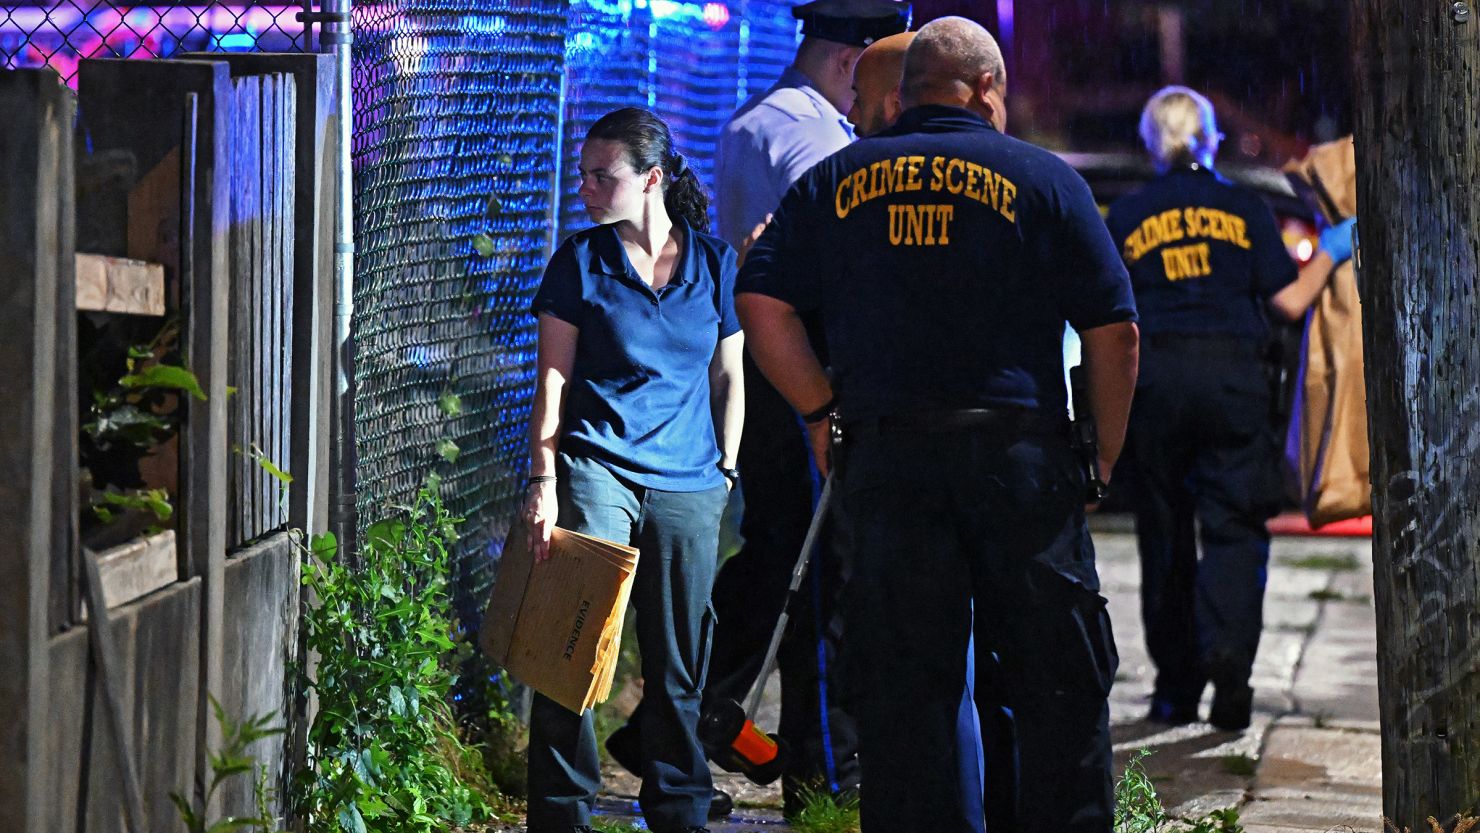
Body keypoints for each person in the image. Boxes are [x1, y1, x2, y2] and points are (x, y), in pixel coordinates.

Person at [736, 17, 1140, 833]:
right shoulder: (1042, 177)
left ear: (907, 87)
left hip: (890, 462)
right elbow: (1115, 330)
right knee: (1053, 678)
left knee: (910, 687)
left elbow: (760, 298)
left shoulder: (836, 180)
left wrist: (818, 408)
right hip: (1019, 456)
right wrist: (1100, 453)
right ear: (988, 88)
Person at [607, 0, 908, 816]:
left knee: (777, 559)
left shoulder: (753, 122)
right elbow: (849, 262)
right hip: (808, 367)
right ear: (853, 61)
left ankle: (679, 721)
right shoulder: (816, 139)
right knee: (816, 578)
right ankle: (821, 764)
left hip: (769, 363)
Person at [521, 107, 745, 833]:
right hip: (596, 465)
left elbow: (730, 375)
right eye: (583, 172)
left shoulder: (713, 263)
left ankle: (679, 804)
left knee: (679, 658)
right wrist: (544, 480)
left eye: (601, 174)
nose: (584, 185)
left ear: (651, 179)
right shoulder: (580, 261)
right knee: (573, 644)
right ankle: (561, 811)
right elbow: (552, 380)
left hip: (690, 478)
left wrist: (729, 468)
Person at [1103, 87, 1351, 732]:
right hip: (1233, 383)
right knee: (1235, 532)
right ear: (1211, 138)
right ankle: (1231, 675)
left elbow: (1106, 315)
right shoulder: (1243, 208)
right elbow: (1289, 303)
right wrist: (1333, 248)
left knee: (1164, 536)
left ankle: (1174, 691)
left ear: (1153, 141)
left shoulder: (1128, 215)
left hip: (1154, 384)